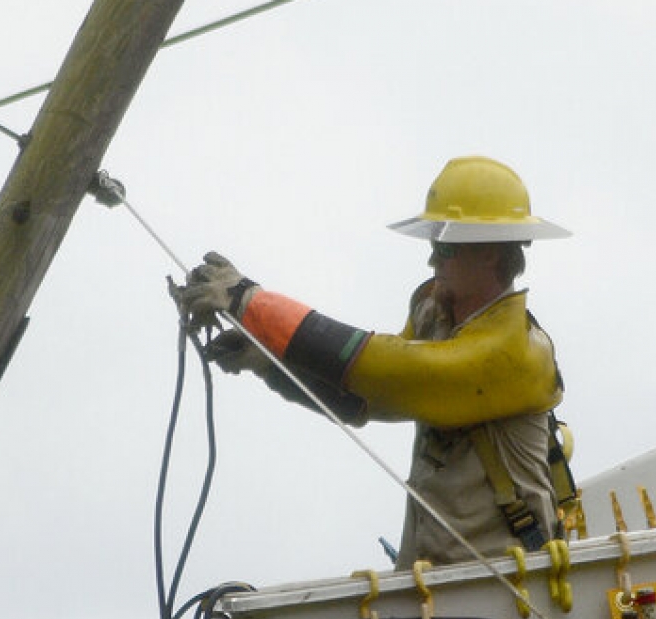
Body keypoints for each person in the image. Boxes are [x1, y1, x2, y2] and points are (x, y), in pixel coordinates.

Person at [177, 156, 573, 570]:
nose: (432, 260)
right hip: (445, 581)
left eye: (445, 246)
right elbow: (363, 399)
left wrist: (248, 301)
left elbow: (377, 368)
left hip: (509, 589)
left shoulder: (513, 353)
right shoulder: (439, 322)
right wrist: (268, 361)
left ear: (490, 253)